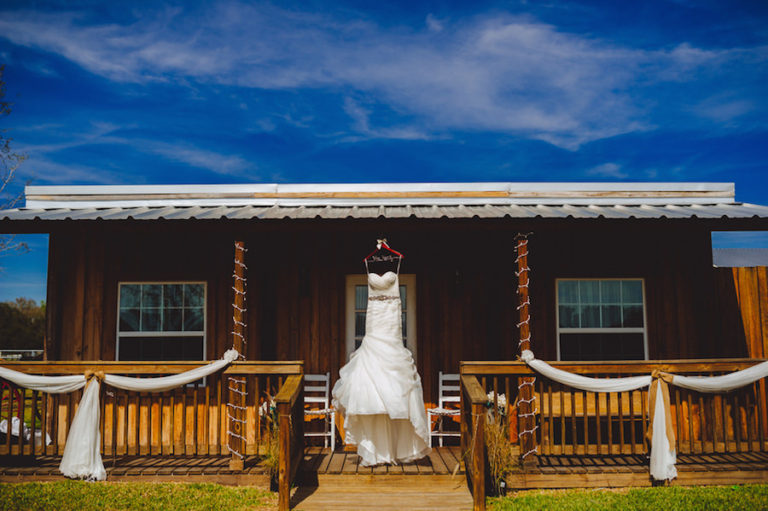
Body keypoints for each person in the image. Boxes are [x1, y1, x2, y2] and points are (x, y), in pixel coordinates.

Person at [332, 242, 431, 466]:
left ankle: (390, 450)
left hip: (391, 330)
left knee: (395, 387)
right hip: (374, 328)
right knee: (370, 391)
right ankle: (375, 450)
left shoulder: (395, 265)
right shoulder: (369, 265)